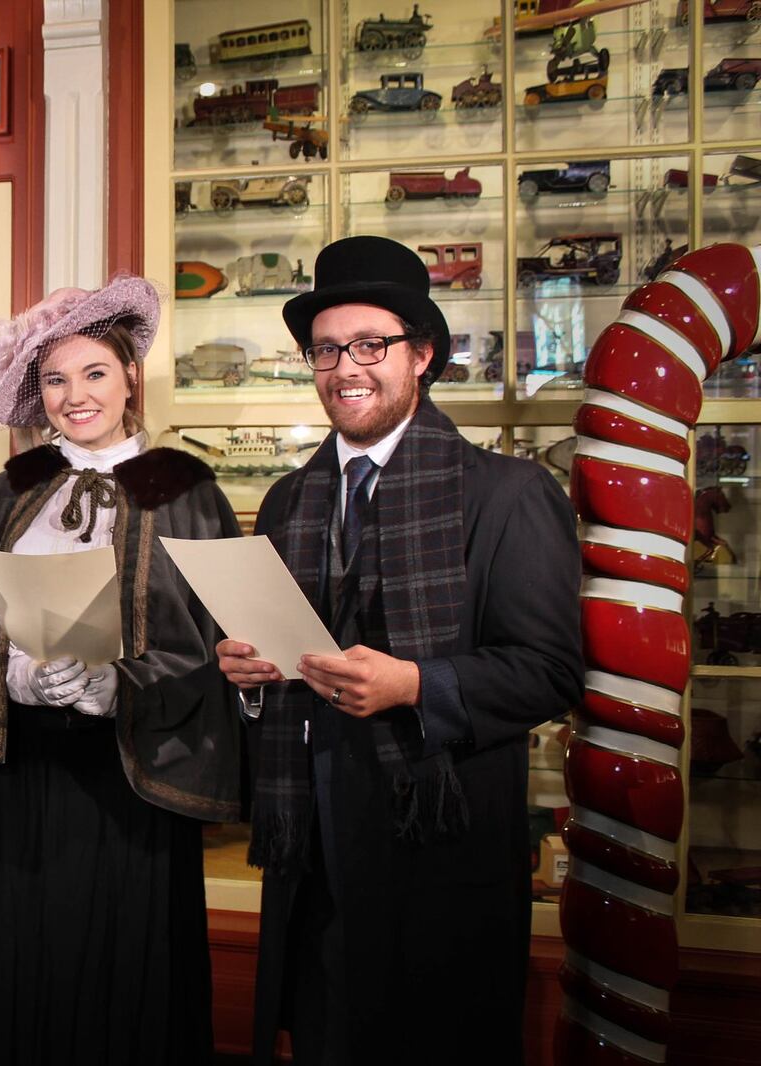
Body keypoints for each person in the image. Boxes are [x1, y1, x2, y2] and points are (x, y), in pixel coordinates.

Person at [215, 235, 584, 1064]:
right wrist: (247, 674)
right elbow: (278, 658)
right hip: (312, 846)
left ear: (421, 355)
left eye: (371, 345)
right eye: (326, 349)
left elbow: (551, 672)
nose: (347, 367)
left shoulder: (509, 494)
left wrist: (418, 683)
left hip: (441, 846)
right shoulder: (288, 499)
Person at [0, 277, 242, 1066]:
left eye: (94, 373)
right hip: (23, 767)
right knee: (26, 956)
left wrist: (113, 681)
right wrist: (15, 676)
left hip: (134, 771)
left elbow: (217, 640)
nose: (75, 395)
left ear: (130, 378)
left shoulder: (186, 489)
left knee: (127, 965)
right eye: (55, 380)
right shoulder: (9, 492)